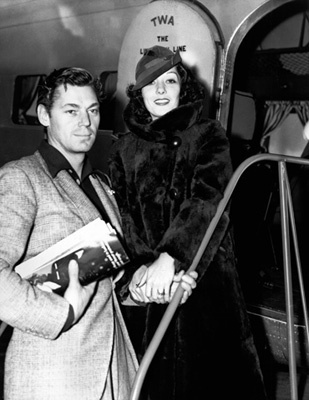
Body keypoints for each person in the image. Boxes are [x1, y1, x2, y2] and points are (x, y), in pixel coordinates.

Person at [0, 66, 197, 400]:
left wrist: (154, 287)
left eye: (92, 111)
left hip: (113, 371)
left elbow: (112, 283)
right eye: (71, 111)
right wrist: (63, 312)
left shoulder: (100, 187)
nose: (86, 122)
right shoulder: (22, 178)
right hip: (53, 375)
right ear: (44, 115)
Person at [109, 46, 268, 400]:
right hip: (151, 285)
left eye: (170, 81)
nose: (162, 91)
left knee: (213, 379)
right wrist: (143, 272)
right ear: (139, 93)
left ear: (184, 88)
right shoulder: (123, 150)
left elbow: (209, 200)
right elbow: (124, 219)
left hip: (205, 276)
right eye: (152, 84)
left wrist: (171, 257)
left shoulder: (208, 135)